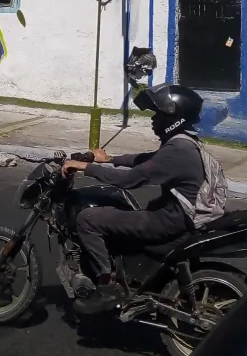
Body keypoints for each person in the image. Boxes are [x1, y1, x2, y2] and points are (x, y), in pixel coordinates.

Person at [62, 83, 206, 315]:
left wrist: (85, 167)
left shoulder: (178, 150)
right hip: (178, 217)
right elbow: (147, 159)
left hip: (169, 221)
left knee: (87, 219)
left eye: (158, 114)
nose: (153, 119)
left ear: (174, 118)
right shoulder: (184, 142)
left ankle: (106, 288)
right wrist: (109, 159)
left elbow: (129, 180)